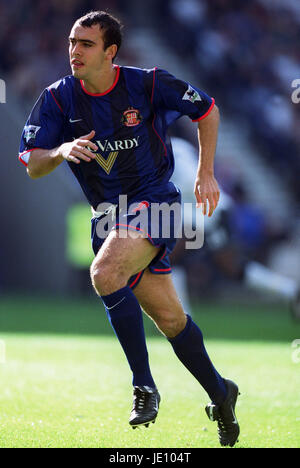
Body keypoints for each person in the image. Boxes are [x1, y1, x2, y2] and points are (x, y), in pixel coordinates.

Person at [18, 11, 240, 447]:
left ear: (110, 51)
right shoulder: (58, 99)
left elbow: (207, 109)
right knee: (172, 320)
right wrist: (61, 149)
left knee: (103, 274)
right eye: (71, 41)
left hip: (155, 202)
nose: (74, 51)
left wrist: (206, 171)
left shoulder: (149, 83)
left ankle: (144, 386)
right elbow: (32, 164)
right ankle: (221, 392)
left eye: (85, 43)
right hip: (108, 217)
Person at [170, 137, 300, 320]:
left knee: (173, 258)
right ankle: (291, 291)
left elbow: (188, 181)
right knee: (233, 268)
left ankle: (180, 318)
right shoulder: (177, 145)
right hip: (204, 210)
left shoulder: (162, 152)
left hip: (206, 210)